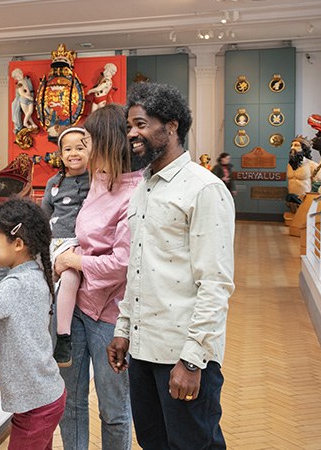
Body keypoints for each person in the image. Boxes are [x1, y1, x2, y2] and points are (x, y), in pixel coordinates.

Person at [108, 82, 235, 449]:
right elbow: (139, 267)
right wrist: (124, 328)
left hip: (183, 355)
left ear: (173, 126)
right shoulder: (144, 188)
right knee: (154, 443)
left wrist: (193, 361)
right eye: (129, 125)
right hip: (143, 351)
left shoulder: (204, 190)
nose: (132, 133)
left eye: (142, 124)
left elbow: (216, 283)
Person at [53, 104, 141, 450]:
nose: (82, 150)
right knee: (70, 401)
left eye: (88, 141)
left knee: (114, 408)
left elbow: (121, 263)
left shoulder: (135, 192)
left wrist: (74, 259)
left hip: (110, 319)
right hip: (76, 307)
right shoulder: (97, 179)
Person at [0, 197, 66, 449]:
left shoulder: (16, 287)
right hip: (42, 397)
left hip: (35, 405)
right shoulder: (32, 273)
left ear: (18, 243)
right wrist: (0, 263)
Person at [39, 126, 91, 367]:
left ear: (91, 150)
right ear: (60, 155)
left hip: (80, 242)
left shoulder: (97, 178)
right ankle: (42, 335)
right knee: (44, 285)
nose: (74, 153)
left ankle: (63, 337)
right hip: (56, 241)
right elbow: (45, 213)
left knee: (70, 277)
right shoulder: (54, 182)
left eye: (80, 148)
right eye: (68, 149)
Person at [287, 136, 317, 212]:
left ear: (304, 149)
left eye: (296, 145)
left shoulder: (312, 165)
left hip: (305, 200)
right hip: (291, 200)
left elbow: (317, 185)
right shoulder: (289, 165)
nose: (292, 148)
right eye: (291, 145)